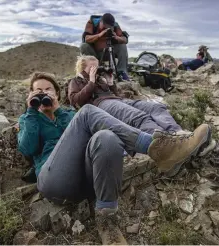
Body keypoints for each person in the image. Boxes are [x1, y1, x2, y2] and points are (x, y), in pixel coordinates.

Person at [18, 72, 211, 245]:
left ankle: (107, 221)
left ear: (57, 93)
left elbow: (82, 134)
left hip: (87, 178)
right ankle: (159, 149)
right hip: (54, 180)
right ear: (30, 95)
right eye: (38, 91)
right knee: (87, 112)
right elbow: (28, 147)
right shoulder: (29, 119)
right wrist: (31, 112)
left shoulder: (68, 114)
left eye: (48, 90)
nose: (43, 94)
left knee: (106, 137)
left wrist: (58, 110)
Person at [68, 55, 216, 157]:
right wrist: (91, 81)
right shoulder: (76, 81)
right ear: (82, 68)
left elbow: (115, 94)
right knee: (138, 117)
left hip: (117, 100)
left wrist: (111, 83)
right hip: (101, 105)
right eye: (92, 67)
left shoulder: (100, 79)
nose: (97, 69)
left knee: (156, 107)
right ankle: (167, 147)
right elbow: (76, 100)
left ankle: (178, 134)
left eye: (97, 66)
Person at [80, 13, 129, 81]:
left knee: (122, 45)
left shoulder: (115, 25)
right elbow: (86, 39)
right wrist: (99, 35)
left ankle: (122, 72)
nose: (106, 28)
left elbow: (125, 40)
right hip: (95, 54)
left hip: (109, 52)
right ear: (101, 21)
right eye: (105, 26)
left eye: (109, 27)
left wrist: (117, 37)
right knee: (84, 46)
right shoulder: (92, 22)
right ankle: (92, 71)